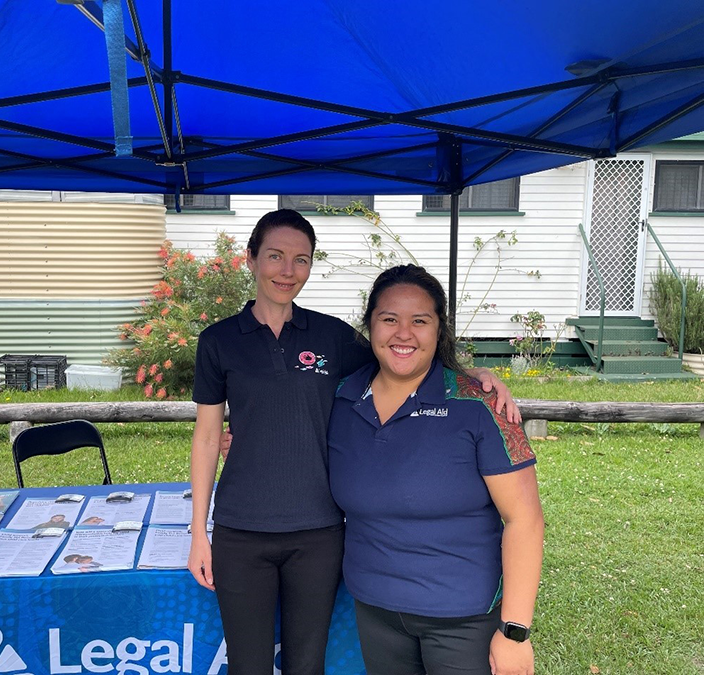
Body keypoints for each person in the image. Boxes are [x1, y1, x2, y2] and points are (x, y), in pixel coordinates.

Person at [188, 209, 521, 675]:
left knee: (306, 664)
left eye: (301, 259)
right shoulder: (219, 341)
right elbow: (206, 438)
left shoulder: (331, 336)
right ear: (250, 259)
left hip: (319, 530)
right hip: (240, 530)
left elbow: (406, 355)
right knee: (248, 665)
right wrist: (198, 532)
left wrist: (475, 376)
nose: (288, 271)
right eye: (275, 257)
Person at [328, 264, 544, 675]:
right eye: (389, 319)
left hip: (463, 619)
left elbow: (526, 520)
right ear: (370, 325)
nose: (403, 333)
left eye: (420, 321)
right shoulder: (341, 399)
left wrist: (515, 631)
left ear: (439, 330)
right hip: (375, 611)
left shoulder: (480, 408)